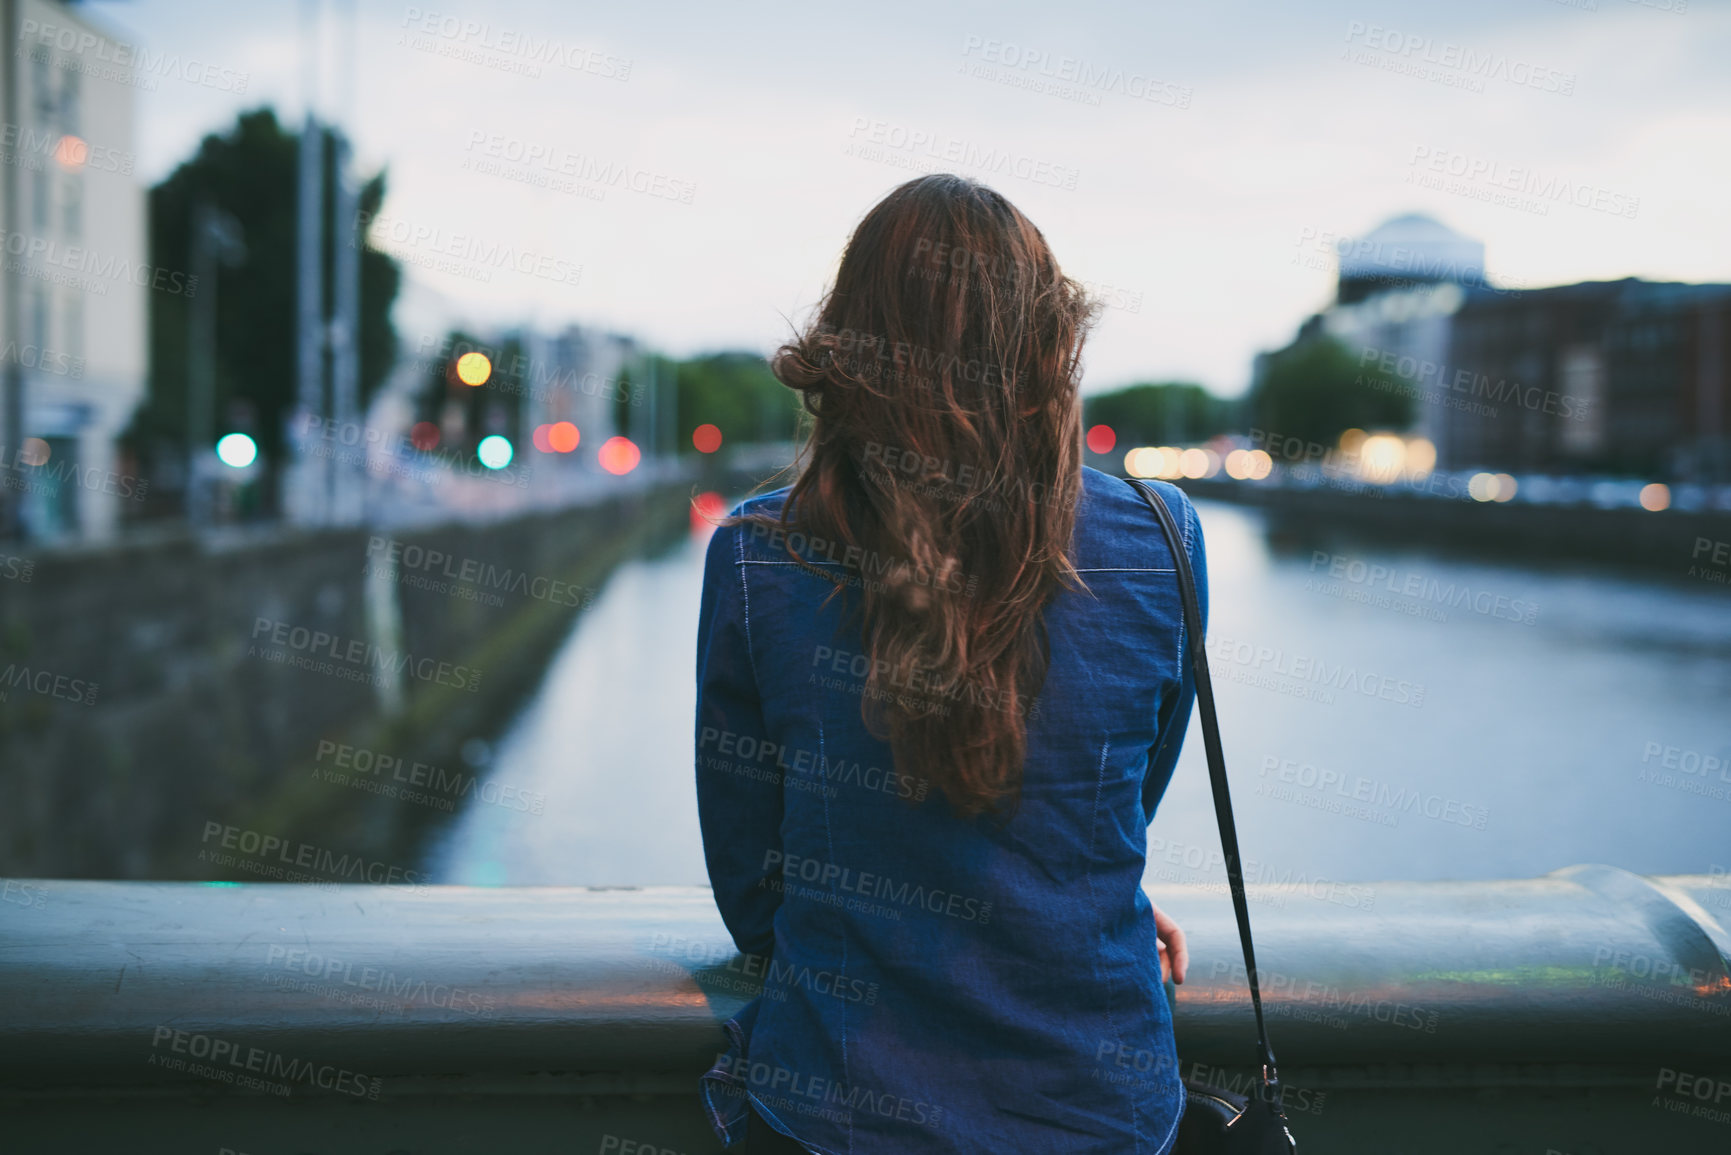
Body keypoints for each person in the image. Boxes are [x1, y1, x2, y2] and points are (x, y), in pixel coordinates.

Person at [695, 173, 1205, 1154]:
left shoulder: (762, 558)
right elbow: (1118, 803)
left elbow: (752, 892)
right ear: (1052, 344)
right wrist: (1076, 909)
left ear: (848, 345)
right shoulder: (1163, 534)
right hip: (1099, 1113)